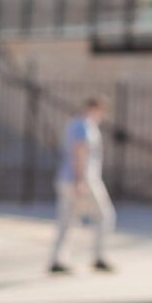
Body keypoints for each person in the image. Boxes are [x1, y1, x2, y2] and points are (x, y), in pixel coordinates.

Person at [49, 96, 116, 274]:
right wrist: (79, 180)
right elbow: (80, 151)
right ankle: (99, 256)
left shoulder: (74, 124)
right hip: (84, 179)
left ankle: (58, 258)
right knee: (104, 215)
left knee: (67, 221)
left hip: (70, 178)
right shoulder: (84, 126)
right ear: (95, 109)